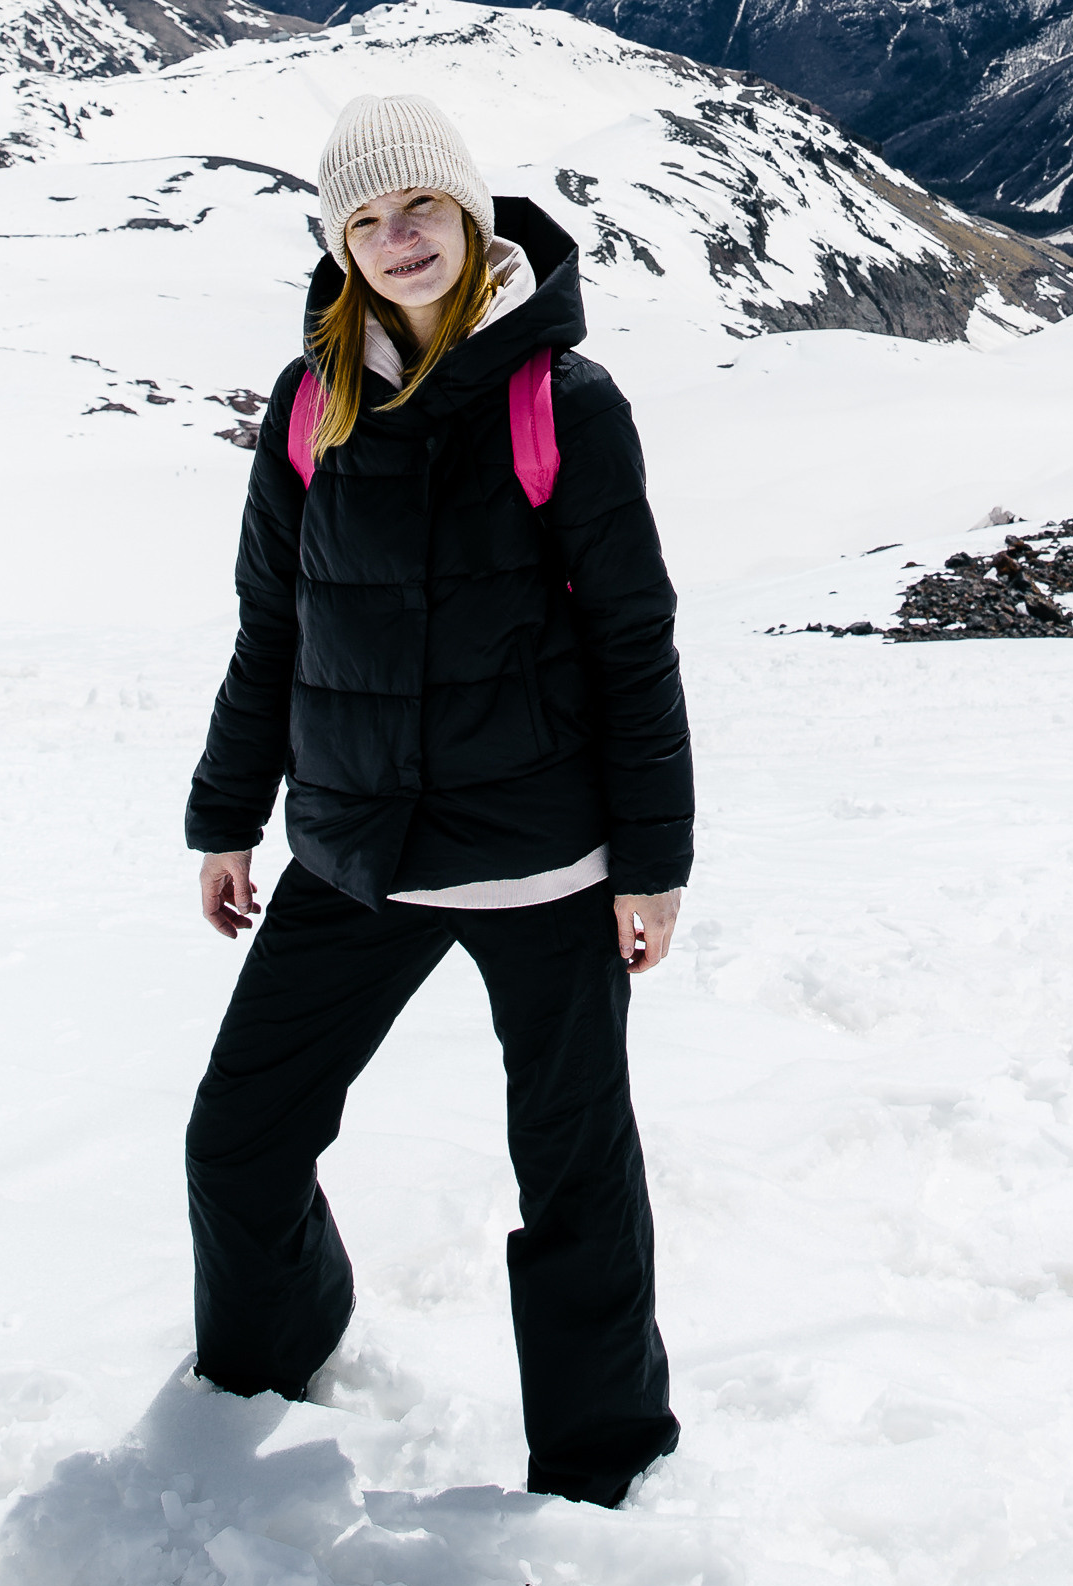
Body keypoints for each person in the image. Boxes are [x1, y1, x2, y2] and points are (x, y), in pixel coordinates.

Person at [183, 91, 693, 1507]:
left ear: (468, 211)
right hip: (358, 854)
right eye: (366, 218)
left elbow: (633, 639)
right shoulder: (313, 403)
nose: (400, 237)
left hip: (545, 862)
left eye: (421, 206)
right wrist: (226, 818)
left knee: (574, 1178)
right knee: (240, 1139)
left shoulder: (562, 401)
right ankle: (260, 1381)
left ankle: (602, 1466)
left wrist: (653, 861)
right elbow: (273, 630)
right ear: (338, 244)